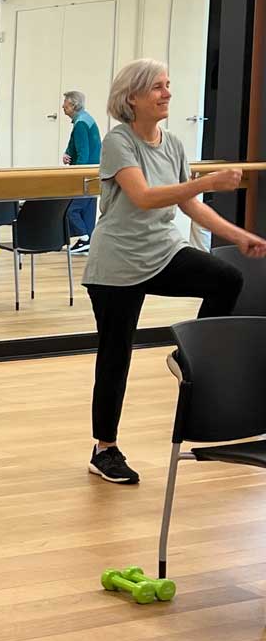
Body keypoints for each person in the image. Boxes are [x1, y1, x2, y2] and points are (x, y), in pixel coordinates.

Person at [82, 58, 266, 485]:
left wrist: (236, 235)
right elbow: (145, 197)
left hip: (163, 251)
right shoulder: (118, 142)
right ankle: (104, 450)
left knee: (226, 277)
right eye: (156, 88)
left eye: (168, 85)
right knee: (115, 356)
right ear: (132, 98)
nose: (166, 93)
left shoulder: (174, 143)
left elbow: (188, 205)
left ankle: (191, 357)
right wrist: (206, 182)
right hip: (116, 263)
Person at [62, 90, 103, 254]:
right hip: (94, 172)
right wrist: (67, 153)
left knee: (71, 210)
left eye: (65, 103)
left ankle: (84, 238)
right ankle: (88, 241)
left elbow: (83, 153)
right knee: (88, 208)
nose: (63, 106)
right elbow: (76, 146)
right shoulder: (85, 119)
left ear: (72, 105)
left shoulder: (80, 124)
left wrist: (76, 175)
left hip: (86, 174)